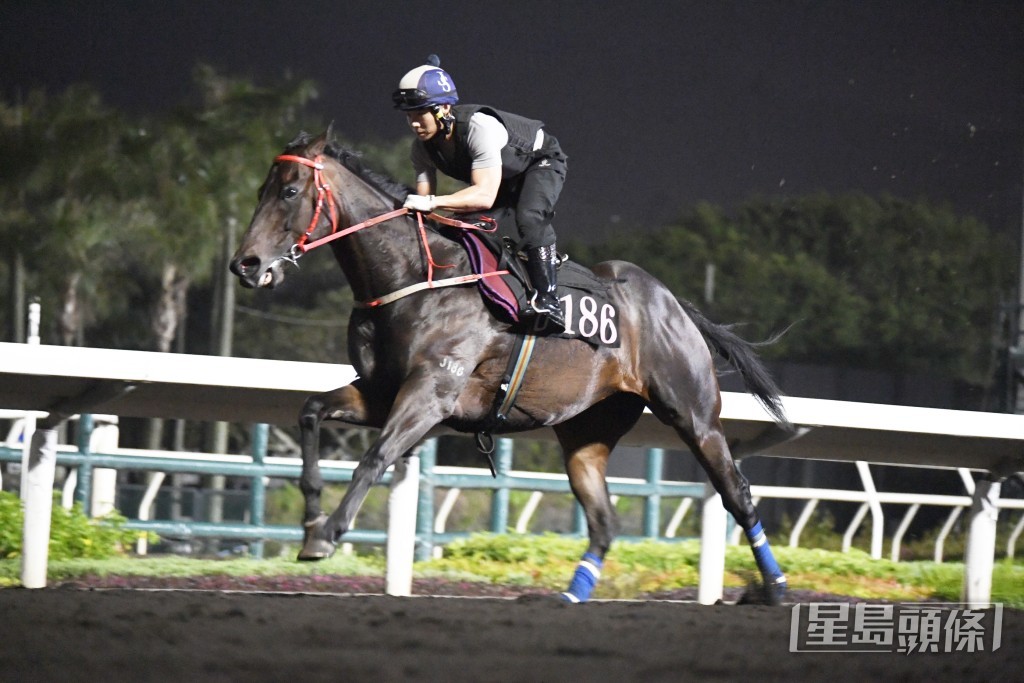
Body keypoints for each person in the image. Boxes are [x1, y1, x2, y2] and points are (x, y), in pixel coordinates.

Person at [393, 55, 569, 332]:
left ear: (442, 109)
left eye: (419, 113)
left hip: (538, 163)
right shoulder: (421, 149)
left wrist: (430, 202)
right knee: (464, 228)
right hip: (502, 176)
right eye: (408, 115)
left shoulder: (478, 127)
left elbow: (483, 196)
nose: (414, 123)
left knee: (530, 217)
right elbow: (423, 207)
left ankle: (549, 300)